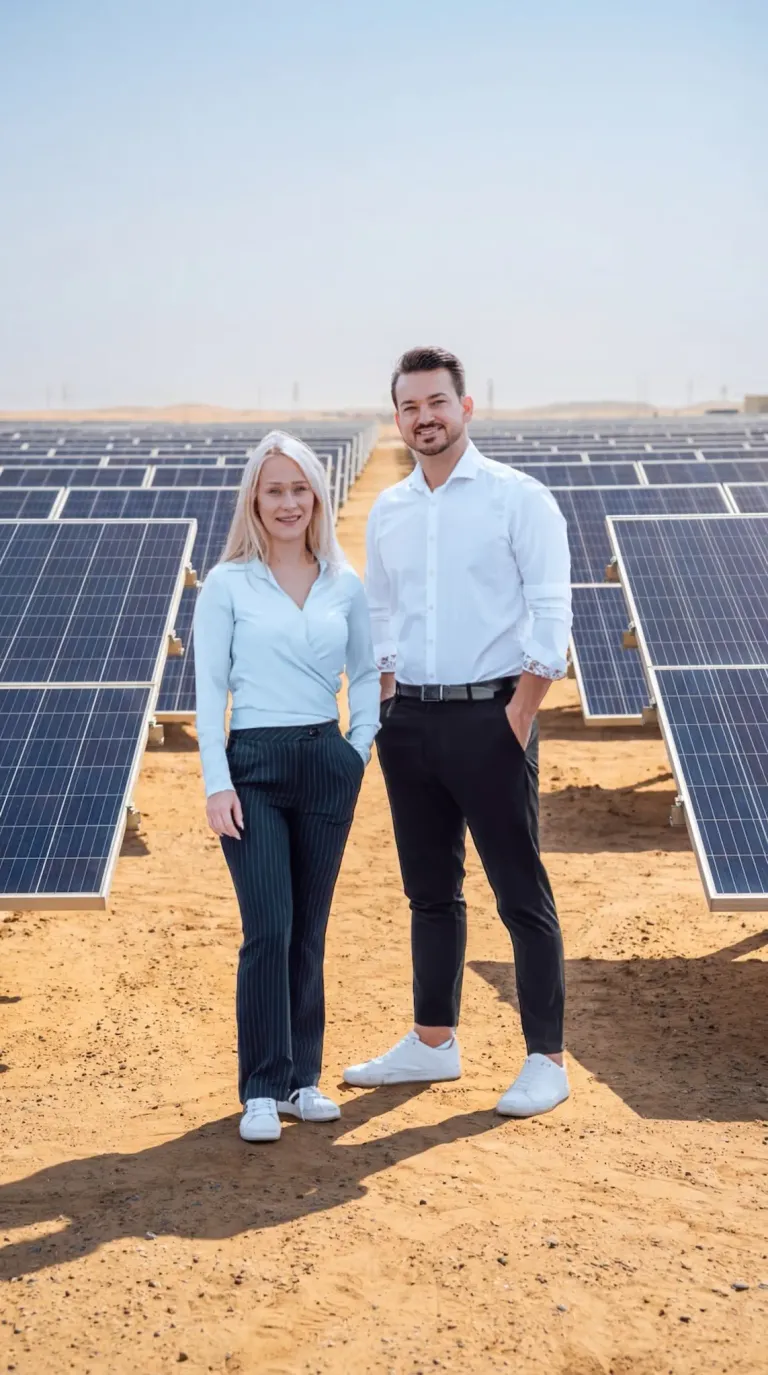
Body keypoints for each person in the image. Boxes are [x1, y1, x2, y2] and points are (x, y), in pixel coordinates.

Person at [344, 348, 572, 1117]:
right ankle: (434, 1043)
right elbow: (378, 613)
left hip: (492, 717)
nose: (424, 418)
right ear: (398, 418)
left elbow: (552, 609)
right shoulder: (390, 508)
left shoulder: (518, 499)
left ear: (466, 407)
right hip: (409, 722)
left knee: (520, 892)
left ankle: (546, 1056)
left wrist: (520, 708)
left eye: (437, 402)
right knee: (429, 893)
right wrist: (384, 696)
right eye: (410, 407)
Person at [194, 430, 379, 1143]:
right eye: (274, 489)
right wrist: (218, 781)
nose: (288, 501)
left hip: (327, 761)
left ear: (317, 497)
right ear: (254, 500)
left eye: (300, 488)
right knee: (268, 927)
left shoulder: (344, 579)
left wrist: (357, 751)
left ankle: (305, 1079)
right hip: (255, 771)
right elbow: (210, 691)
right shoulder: (228, 583)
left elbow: (365, 675)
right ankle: (262, 1087)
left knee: (309, 930)